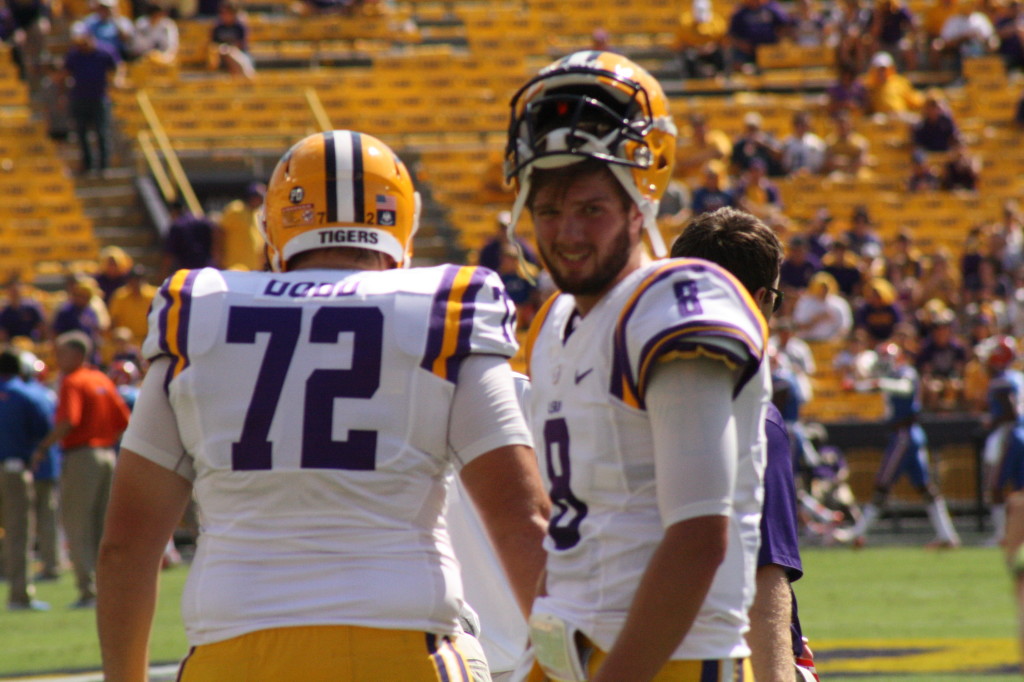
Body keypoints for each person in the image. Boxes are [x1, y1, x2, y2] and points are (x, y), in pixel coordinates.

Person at [96, 130, 550, 681]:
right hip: (402, 645)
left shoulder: (198, 312)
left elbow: (126, 548)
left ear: (274, 231)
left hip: (232, 652)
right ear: (401, 227)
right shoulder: (446, 307)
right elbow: (522, 521)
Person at [504, 50, 768, 681]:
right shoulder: (555, 327)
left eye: (590, 208)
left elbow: (700, 534)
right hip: (570, 650)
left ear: (637, 202)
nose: (566, 232)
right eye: (548, 209)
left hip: (670, 659)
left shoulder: (677, 304)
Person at [669, 210, 817, 682]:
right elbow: (763, 576)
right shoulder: (748, 408)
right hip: (716, 654)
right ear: (757, 299)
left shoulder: (606, 382)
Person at [32, 331, 130, 609]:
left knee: (77, 525)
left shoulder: (73, 381)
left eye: (61, 353)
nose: (56, 359)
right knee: (103, 526)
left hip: (80, 457)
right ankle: (109, 590)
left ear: (76, 354)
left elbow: (68, 421)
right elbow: (124, 420)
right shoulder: (101, 379)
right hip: (107, 455)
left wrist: (43, 447)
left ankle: (89, 591)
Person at [836, 342, 961, 548]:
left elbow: (903, 388)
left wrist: (872, 383)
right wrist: (857, 386)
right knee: (924, 488)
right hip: (907, 434)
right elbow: (878, 386)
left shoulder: (905, 373)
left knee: (883, 484)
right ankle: (947, 536)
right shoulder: (890, 377)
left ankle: (858, 533)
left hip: (904, 434)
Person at [0, 350, 52, 611]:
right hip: (13, 470)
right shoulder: (26, 393)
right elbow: (45, 427)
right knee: (18, 533)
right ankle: (19, 595)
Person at [980, 336, 1024, 546]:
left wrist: (992, 420)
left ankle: (1002, 535)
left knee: (995, 486)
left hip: (1009, 434)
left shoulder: (1001, 381)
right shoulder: (1017, 376)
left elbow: (1012, 411)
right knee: (1020, 488)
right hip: (1021, 433)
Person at [64, 21, 122, 175]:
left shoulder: (104, 51)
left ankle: (104, 166)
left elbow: (117, 67)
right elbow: (65, 73)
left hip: (99, 97)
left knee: (101, 132)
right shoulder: (74, 54)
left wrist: (116, 81)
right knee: (82, 133)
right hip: (79, 97)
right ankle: (88, 165)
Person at [216, 182, 266, 271]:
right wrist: (219, 257)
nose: (261, 201)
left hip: (254, 267)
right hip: (235, 265)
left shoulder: (258, 213)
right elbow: (219, 232)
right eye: (259, 198)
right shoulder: (236, 209)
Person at [207, 1, 254, 80]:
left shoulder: (239, 27)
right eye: (222, 13)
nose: (223, 15)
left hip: (238, 55)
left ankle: (240, 81)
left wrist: (228, 48)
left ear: (233, 14)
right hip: (220, 57)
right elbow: (212, 44)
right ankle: (241, 82)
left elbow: (241, 45)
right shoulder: (218, 27)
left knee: (231, 54)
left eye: (226, 13)